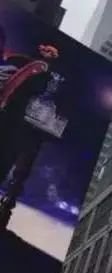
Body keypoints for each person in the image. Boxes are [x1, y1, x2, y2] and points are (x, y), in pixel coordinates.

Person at [0, 24, 60, 188]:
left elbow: (38, 90)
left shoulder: (42, 73)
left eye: (52, 53)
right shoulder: (16, 60)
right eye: (47, 50)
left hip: (13, 120)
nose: (48, 54)